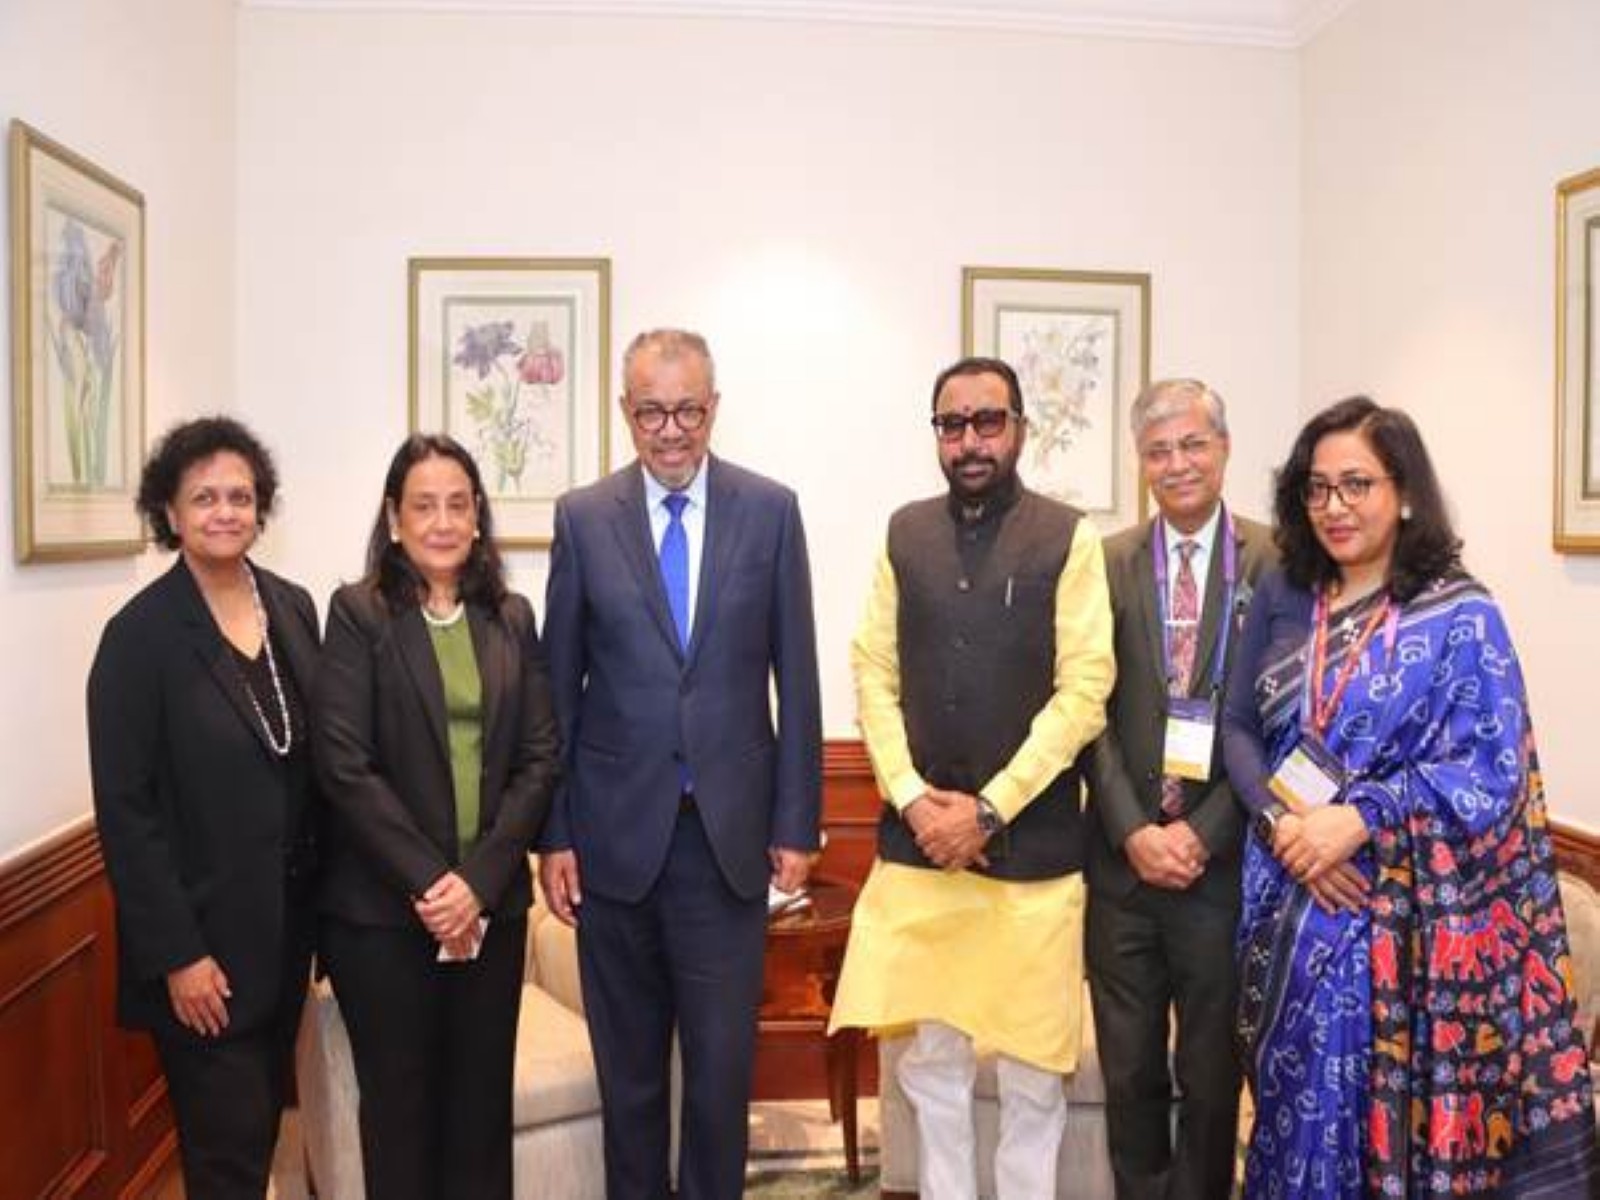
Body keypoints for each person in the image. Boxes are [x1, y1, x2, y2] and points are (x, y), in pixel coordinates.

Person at [1222, 395, 1599, 1198]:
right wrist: (1289, 828)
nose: (1335, 506)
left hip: (1399, 927)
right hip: (1284, 890)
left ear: (1405, 492)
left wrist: (1361, 817)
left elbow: (1491, 773)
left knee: (1367, 1132)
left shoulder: (1461, 618)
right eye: (1318, 488)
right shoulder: (1291, 595)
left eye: (1357, 484)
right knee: (1288, 1114)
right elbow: (1241, 727)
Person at [538, 328, 823, 1200]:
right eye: (652, 411)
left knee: (718, 1079)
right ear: (626, 412)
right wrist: (555, 835)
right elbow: (558, 690)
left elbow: (797, 679)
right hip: (613, 842)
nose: (671, 430)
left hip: (726, 847)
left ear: (714, 409)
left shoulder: (770, 510)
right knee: (630, 1084)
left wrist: (796, 824)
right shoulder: (584, 518)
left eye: (688, 410)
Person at [830, 356, 1115, 1200]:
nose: (970, 440)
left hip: (1031, 854)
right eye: (951, 425)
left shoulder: (1070, 536)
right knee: (935, 1065)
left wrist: (988, 811)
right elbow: (871, 669)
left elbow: (1086, 687)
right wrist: (915, 800)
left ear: (1020, 428)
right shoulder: (903, 532)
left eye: (987, 421)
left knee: (1032, 1074)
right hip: (921, 851)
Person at [314, 433, 561, 1200]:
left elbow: (541, 757)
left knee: (480, 1113)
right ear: (394, 519)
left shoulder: (511, 618)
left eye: (459, 504)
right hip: (384, 919)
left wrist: (478, 885)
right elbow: (345, 766)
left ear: (479, 517)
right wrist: (432, 884)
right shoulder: (358, 615)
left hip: (491, 914)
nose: (443, 521)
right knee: (402, 1113)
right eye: (424, 505)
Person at [88, 417, 320, 1198]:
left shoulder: (292, 608)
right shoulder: (139, 638)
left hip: (285, 940)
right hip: (203, 959)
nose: (225, 511)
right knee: (224, 1162)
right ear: (171, 512)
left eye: (240, 496)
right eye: (204, 497)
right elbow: (126, 813)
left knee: (258, 1134)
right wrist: (179, 956)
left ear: (261, 507)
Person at [1085, 379, 1275, 1200]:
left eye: (1193, 444)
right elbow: (1082, 707)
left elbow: (1284, 718)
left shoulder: (1277, 562)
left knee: (1209, 1080)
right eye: (1159, 450)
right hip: (1124, 872)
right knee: (1127, 1078)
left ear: (1224, 449)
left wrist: (1205, 832)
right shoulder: (1104, 561)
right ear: (1141, 464)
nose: (1178, 463)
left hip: (1221, 868)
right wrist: (1132, 829)